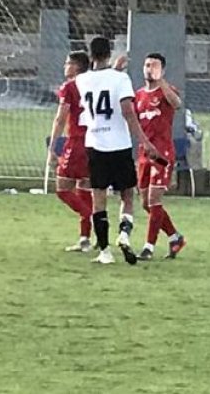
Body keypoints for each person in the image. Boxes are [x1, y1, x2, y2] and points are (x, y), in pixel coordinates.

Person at [74, 37, 160, 265]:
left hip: (95, 144)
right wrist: (144, 142)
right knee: (127, 195)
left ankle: (104, 252)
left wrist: (113, 70)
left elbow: (99, 82)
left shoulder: (81, 80)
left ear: (91, 55)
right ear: (109, 53)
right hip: (120, 145)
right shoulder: (121, 79)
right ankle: (124, 234)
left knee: (98, 198)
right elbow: (128, 112)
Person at [133, 52, 186, 260]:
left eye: (154, 66)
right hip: (144, 154)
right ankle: (175, 237)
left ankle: (148, 247)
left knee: (154, 200)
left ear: (162, 70)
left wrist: (161, 81)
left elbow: (177, 104)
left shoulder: (166, 91)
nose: (149, 69)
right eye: (146, 65)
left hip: (162, 153)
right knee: (145, 202)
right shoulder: (138, 95)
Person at [46, 51, 94, 253]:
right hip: (95, 140)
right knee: (85, 186)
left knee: (63, 188)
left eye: (68, 63)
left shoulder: (69, 87)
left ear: (76, 66)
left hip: (76, 142)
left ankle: (93, 218)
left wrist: (52, 147)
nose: (65, 66)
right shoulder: (94, 83)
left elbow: (60, 118)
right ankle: (85, 239)